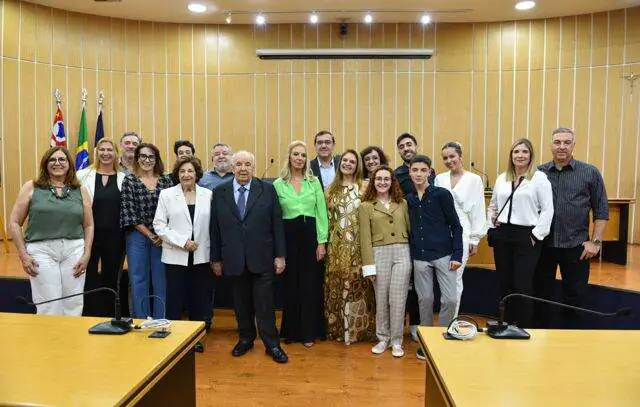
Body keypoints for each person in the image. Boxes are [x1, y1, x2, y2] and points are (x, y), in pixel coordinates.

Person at [210, 150, 288, 364]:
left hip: (262, 258)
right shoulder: (219, 192)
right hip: (233, 258)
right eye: (239, 164)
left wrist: (280, 256)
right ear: (232, 167)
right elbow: (214, 229)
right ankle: (245, 338)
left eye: (247, 164)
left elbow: (277, 224)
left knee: (265, 305)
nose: (243, 168)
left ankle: (272, 344)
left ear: (253, 167)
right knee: (241, 303)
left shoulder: (268, 190)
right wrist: (215, 258)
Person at [534, 127, 608, 328]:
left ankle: (572, 338)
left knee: (575, 297)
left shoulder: (589, 172)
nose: (562, 146)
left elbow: (601, 209)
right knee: (540, 295)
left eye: (567, 142)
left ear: (573, 146)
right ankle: (540, 338)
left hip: (576, 246)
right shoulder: (539, 173)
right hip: (544, 246)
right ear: (551, 145)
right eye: (557, 142)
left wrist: (595, 242)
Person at [9, 147, 94, 315]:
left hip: (74, 249)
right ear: (45, 164)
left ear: (69, 164)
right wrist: (23, 255)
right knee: (49, 304)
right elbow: (14, 222)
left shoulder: (80, 190)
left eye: (62, 160)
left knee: (73, 303)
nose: (57, 163)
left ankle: (70, 341)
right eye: (52, 160)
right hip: (41, 250)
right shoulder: (31, 187)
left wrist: (87, 253)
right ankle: (48, 341)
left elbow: (88, 225)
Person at [487, 138, 554, 329]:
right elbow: (493, 206)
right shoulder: (502, 178)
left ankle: (524, 326)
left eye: (524, 152)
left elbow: (548, 210)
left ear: (531, 155)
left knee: (522, 283)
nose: (520, 155)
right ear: (511, 155)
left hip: (527, 235)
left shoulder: (539, 179)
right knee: (504, 281)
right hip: (503, 235)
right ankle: (505, 322)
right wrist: (491, 226)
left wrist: (536, 235)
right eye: (516, 152)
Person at [407, 155, 463, 360]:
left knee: (449, 299)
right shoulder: (408, 199)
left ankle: (445, 339)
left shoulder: (442, 195)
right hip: (420, 257)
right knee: (425, 299)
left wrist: (457, 254)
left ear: (430, 172)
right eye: (415, 170)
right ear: (410, 172)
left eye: (423, 170)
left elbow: (456, 226)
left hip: (444, 254)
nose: (419, 174)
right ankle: (427, 343)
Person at [154, 157, 212, 353]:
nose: (186, 175)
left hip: (201, 255)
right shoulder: (167, 194)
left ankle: (195, 338)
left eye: (190, 171)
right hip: (175, 255)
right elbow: (159, 225)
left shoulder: (208, 195)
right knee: (175, 298)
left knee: (198, 299)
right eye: (182, 171)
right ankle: (175, 339)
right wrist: (182, 241)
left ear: (197, 174)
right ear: (177, 174)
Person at [273, 141, 329, 347]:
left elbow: (321, 213)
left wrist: (321, 242)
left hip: (310, 237)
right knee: (290, 286)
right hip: (287, 237)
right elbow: (275, 218)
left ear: (307, 159)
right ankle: (291, 332)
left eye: (303, 155)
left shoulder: (314, 183)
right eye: (295, 154)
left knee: (309, 285)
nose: (299, 158)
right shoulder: (278, 184)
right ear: (289, 157)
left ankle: (308, 332)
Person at [359, 165, 411, 358]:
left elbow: (410, 229)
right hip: (378, 253)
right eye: (378, 179)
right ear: (373, 182)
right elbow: (364, 238)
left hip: (402, 252)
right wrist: (368, 267)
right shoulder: (365, 206)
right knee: (381, 298)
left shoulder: (403, 203)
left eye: (386, 179)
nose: (382, 182)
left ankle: (397, 341)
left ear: (392, 182)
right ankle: (383, 338)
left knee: (397, 299)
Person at [324, 149, 376, 345]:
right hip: (336, 248)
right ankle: (337, 329)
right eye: (344, 160)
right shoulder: (330, 189)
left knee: (358, 288)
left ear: (357, 166)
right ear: (339, 164)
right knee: (337, 287)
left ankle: (358, 332)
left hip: (358, 246)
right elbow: (325, 220)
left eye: (352, 161)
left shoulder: (365, 187)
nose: (347, 164)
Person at [120, 143, 173, 319]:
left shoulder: (166, 180)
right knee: (138, 279)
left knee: (161, 280)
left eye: (151, 157)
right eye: (143, 156)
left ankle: (160, 319)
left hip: (162, 237)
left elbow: (173, 210)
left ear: (156, 159)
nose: (147, 160)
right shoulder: (130, 180)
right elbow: (129, 212)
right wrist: (150, 234)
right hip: (138, 236)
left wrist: (161, 234)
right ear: (137, 159)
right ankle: (142, 319)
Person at [434, 142, 487, 315]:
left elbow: (479, 209)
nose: (449, 160)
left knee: (455, 276)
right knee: (442, 277)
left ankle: (451, 319)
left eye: (452, 156)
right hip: (441, 231)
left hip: (463, 230)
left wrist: (475, 239)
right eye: (445, 158)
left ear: (460, 156)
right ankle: (444, 318)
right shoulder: (439, 179)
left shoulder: (474, 179)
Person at [76, 138, 126, 317]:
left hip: (115, 238)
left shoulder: (124, 178)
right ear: (97, 153)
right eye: (102, 150)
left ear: (115, 154)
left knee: (111, 277)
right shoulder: (82, 175)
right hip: (88, 235)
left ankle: (110, 315)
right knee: (88, 276)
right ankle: (89, 314)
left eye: (109, 150)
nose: (105, 153)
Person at [393, 133, 428, 341]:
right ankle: (399, 323)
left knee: (420, 283)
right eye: (401, 146)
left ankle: (416, 323)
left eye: (409, 144)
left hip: (426, 234)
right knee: (405, 281)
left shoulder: (427, 170)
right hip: (406, 232)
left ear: (416, 146)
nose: (406, 148)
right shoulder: (396, 174)